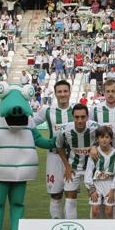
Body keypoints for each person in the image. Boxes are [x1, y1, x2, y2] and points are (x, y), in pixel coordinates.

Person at [33, 80, 73, 219]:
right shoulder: (47, 110)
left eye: (65, 91)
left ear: (70, 92)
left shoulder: (77, 110)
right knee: (56, 194)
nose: (63, 94)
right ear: (55, 94)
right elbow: (30, 123)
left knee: (70, 194)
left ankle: (70, 225)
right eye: (59, 92)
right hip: (54, 157)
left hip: (73, 158)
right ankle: (56, 225)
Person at [56, 104, 99, 219]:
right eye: (77, 117)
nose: (80, 120)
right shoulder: (64, 130)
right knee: (70, 199)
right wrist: (67, 167)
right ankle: (72, 229)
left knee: (95, 200)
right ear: (72, 117)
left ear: (87, 117)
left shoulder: (96, 127)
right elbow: (59, 147)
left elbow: (106, 139)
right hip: (73, 168)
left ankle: (94, 229)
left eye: (83, 117)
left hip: (92, 169)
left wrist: (95, 145)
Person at [84, 126, 115, 219]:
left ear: (111, 139)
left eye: (107, 137)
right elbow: (88, 172)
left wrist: (113, 190)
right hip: (96, 184)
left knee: (108, 211)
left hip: (110, 185)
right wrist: (92, 190)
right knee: (95, 211)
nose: (104, 140)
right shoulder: (94, 153)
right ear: (97, 139)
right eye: (101, 137)